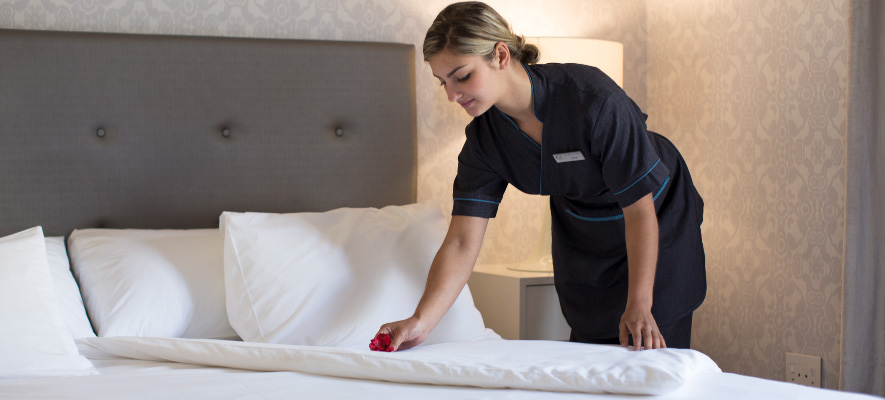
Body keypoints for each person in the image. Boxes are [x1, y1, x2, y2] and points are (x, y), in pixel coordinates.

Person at [376, 1, 705, 352]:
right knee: (591, 349)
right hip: (583, 229)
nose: (452, 95)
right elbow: (461, 241)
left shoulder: (592, 100)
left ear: (500, 55)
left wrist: (639, 303)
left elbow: (639, 210)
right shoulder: (485, 141)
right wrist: (421, 321)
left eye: (463, 76)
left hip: (656, 214)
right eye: (443, 82)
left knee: (649, 346)